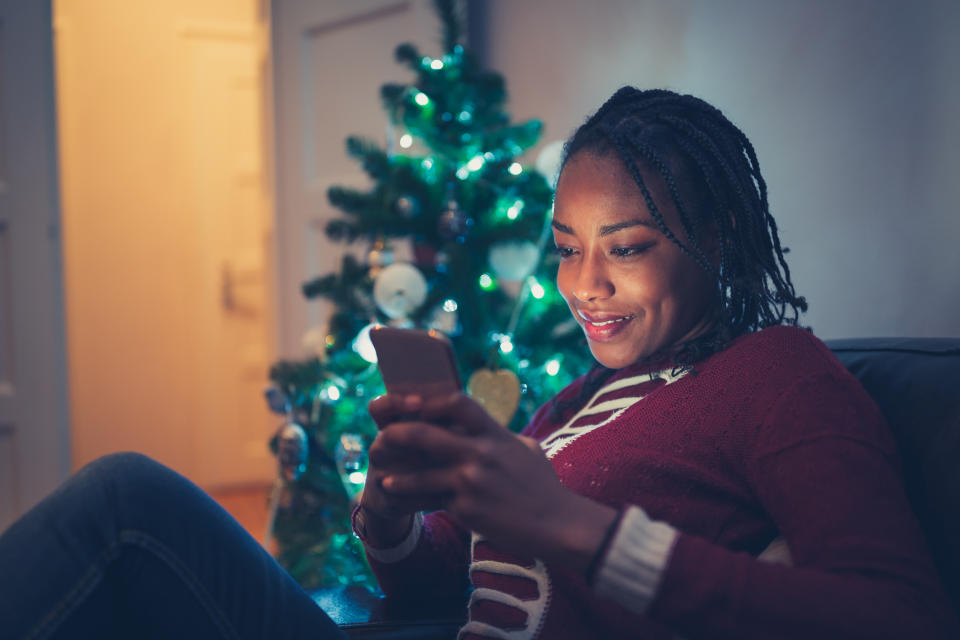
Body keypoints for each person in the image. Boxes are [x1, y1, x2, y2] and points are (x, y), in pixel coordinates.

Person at [1, 87, 956, 640]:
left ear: (717, 235)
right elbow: (434, 585)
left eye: (625, 247)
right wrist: (390, 511)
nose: (584, 285)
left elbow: (901, 613)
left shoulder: (778, 376)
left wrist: (574, 529)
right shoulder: (584, 396)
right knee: (128, 526)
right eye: (565, 244)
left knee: (126, 508)